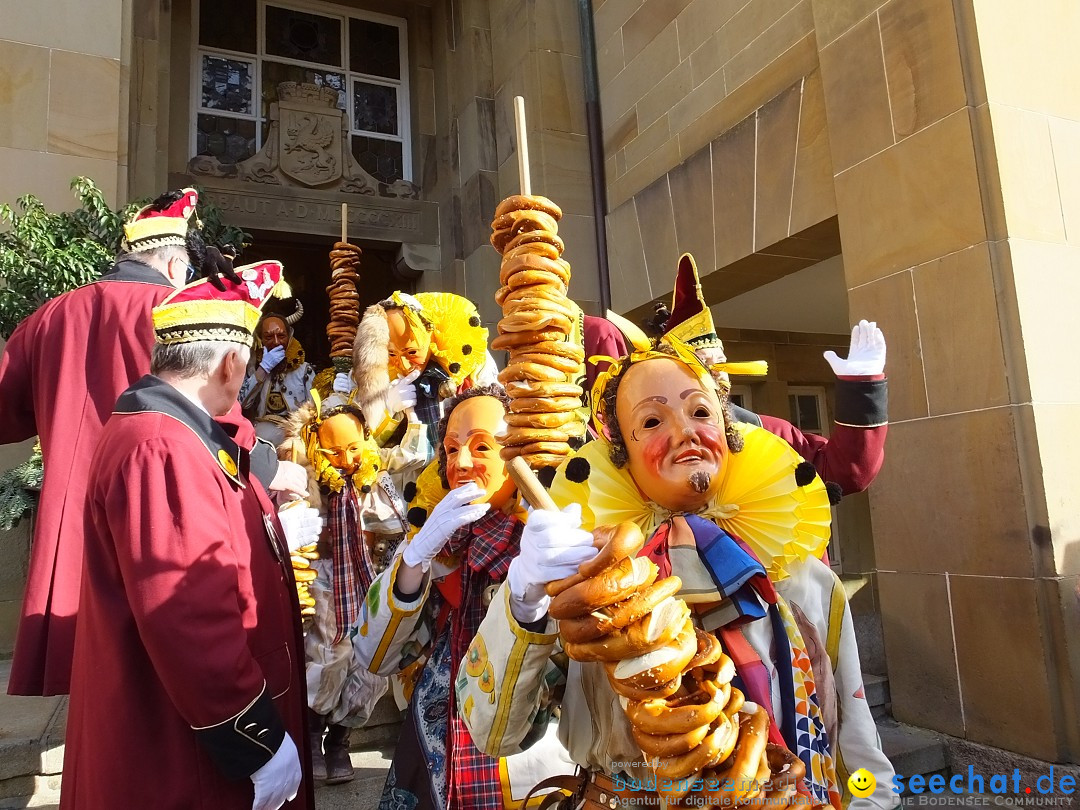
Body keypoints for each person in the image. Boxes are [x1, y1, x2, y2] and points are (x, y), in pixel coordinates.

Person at [456, 329, 897, 810]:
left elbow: (856, 743)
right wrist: (524, 598)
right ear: (619, 454)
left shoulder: (804, 580)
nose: (685, 431)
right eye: (651, 420)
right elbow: (496, 730)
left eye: (701, 412)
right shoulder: (589, 586)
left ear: (729, 432)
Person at [0, 188, 302, 696]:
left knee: (96, 694)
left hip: (69, 524)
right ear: (176, 264)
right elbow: (215, 408)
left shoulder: (49, 316)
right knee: (160, 679)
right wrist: (269, 468)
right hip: (160, 507)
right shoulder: (179, 311)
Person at [62, 260, 320, 810]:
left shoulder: (173, 434)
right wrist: (257, 742)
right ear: (231, 363)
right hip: (187, 753)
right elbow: (188, 616)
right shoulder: (164, 448)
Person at [352, 385, 577, 810]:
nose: (462, 463)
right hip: (435, 754)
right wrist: (416, 557)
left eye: (482, 447)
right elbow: (373, 655)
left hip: (523, 768)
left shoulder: (559, 545)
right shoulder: (441, 541)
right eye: (451, 450)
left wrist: (531, 596)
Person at [278, 391, 422, 785]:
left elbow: (410, 468)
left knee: (373, 663)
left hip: (368, 576)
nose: (345, 459)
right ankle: (311, 733)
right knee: (328, 657)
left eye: (353, 447)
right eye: (333, 452)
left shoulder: (375, 474)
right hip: (326, 580)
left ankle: (340, 740)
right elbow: (292, 516)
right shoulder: (306, 476)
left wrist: (410, 411)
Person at [662, 253, 888, 496]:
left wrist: (861, 385)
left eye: (722, 362)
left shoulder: (765, 432)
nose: (719, 373)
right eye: (704, 364)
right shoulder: (639, 437)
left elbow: (844, 472)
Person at [340, 291, 498, 451]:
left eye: (412, 352)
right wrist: (388, 409)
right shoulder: (376, 374)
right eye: (392, 354)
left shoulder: (470, 361)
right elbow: (356, 446)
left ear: (430, 335)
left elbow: (494, 418)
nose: (404, 364)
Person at [241, 299, 317, 445]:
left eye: (281, 336)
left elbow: (314, 410)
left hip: (294, 439)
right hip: (260, 439)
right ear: (260, 340)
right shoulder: (255, 368)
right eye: (269, 337)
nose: (276, 342)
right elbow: (243, 403)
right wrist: (263, 369)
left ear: (289, 337)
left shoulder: (304, 370)